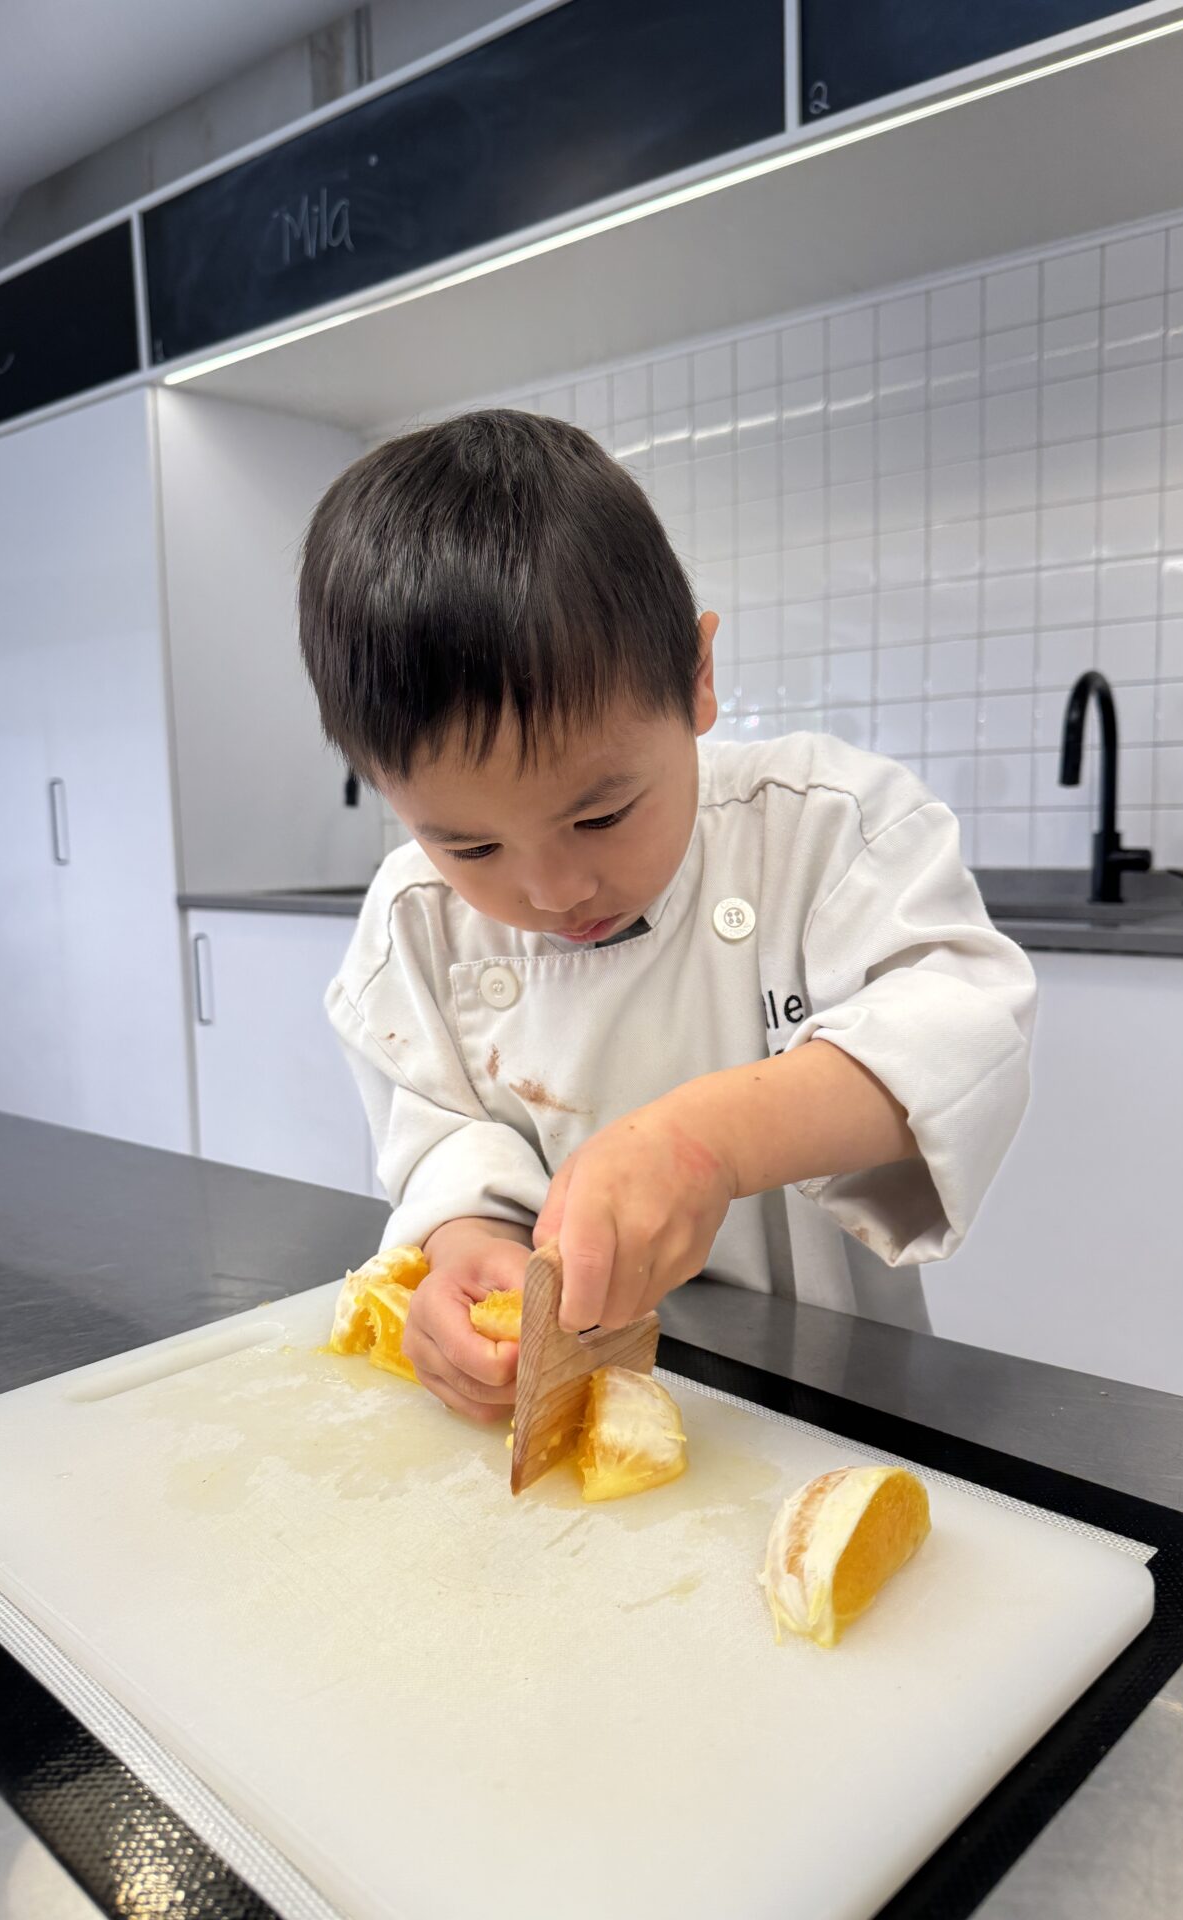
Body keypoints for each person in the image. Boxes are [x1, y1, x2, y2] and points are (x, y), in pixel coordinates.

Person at [298, 408, 1036, 1423]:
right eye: (470, 846)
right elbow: (442, 1143)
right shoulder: (415, 923)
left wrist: (708, 1142)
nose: (553, 890)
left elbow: (961, 1028)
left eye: (601, 813)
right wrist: (463, 1253)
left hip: (836, 1402)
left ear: (697, 678)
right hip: (573, 1404)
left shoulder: (827, 832)